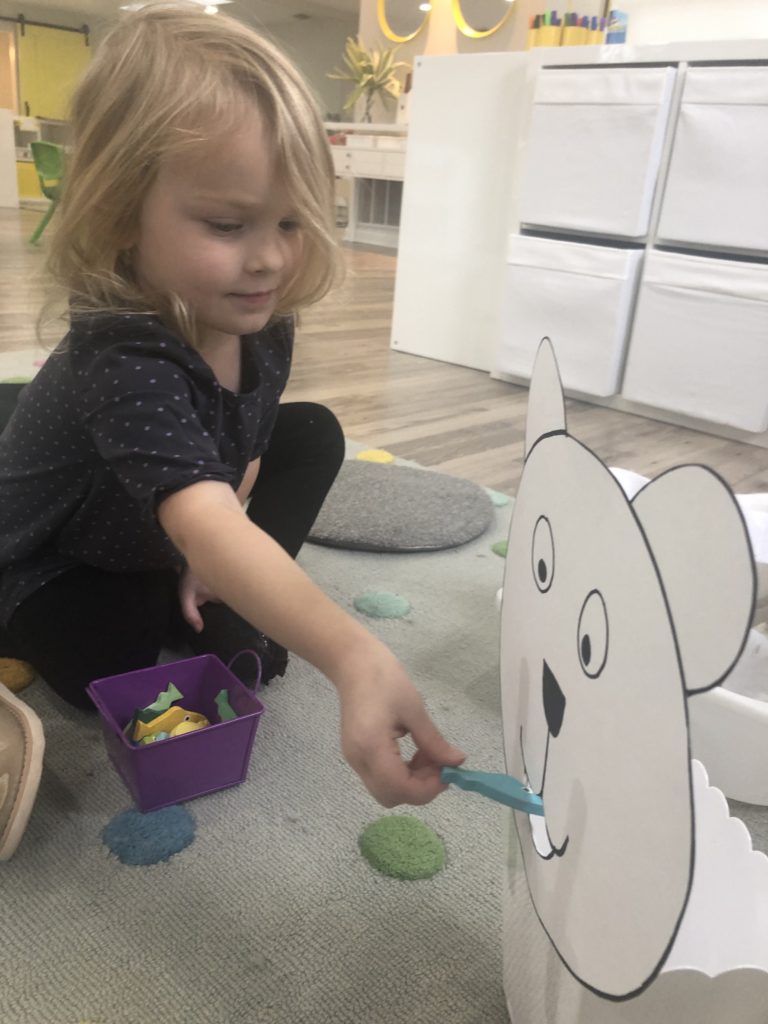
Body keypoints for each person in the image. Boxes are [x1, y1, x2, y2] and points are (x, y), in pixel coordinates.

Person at [0, 3, 465, 856]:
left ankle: (213, 586)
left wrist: (206, 557)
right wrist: (353, 655)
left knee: (314, 434)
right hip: (58, 554)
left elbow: (242, 452)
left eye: (290, 222)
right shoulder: (120, 349)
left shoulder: (261, 316)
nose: (271, 259)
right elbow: (209, 508)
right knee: (114, 663)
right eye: (228, 225)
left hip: (164, 518)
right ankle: (199, 589)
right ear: (119, 214)